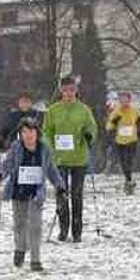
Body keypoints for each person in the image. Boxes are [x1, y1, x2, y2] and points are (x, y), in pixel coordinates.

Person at [0, 116, 66, 271]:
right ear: (20, 134)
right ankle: (20, 248)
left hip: (36, 193)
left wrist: (60, 186)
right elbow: (8, 165)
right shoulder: (16, 147)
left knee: (35, 226)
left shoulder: (44, 149)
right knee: (20, 224)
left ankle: (35, 260)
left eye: (31, 131)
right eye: (25, 132)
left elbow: (51, 169)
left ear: (37, 132)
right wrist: (0, 174)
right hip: (18, 191)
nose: (29, 135)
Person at [41, 75, 97, 243]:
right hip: (59, 160)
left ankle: (77, 231)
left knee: (77, 195)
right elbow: (46, 131)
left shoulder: (84, 110)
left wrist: (89, 136)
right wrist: (49, 147)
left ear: (76, 91)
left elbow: (92, 127)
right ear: (61, 91)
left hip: (79, 159)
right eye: (65, 90)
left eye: (72, 90)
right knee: (62, 194)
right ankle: (64, 230)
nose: (68, 93)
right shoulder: (53, 110)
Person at [105, 90, 140, 194]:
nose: (123, 101)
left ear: (129, 99)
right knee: (123, 162)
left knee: (129, 160)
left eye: (125, 99)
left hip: (132, 140)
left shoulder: (134, 110)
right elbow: (109, 126)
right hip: (120, 141)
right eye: (121, 99)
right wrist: (114, 122)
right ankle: (128, 180)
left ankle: (128, 180)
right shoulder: (116, 111)